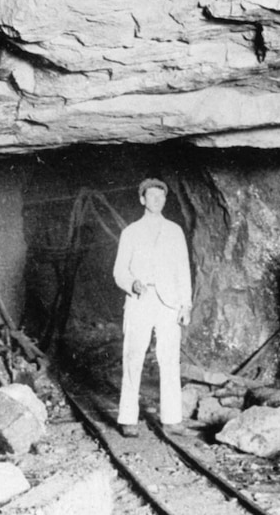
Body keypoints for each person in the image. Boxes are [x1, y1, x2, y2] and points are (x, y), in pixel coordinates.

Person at [113, 178, 192, 437]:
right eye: (152, 196)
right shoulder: (131, 232)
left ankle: (171, 419)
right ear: (142, 200)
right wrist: (131, 283)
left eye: (161, 197)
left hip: (168, 302)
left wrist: (185, 304)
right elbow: (119, 271)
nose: (157, 201)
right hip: (140, 300)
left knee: (169, 359)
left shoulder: (175, 231)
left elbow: (183, 270)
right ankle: (128, 418)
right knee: (133, 357)